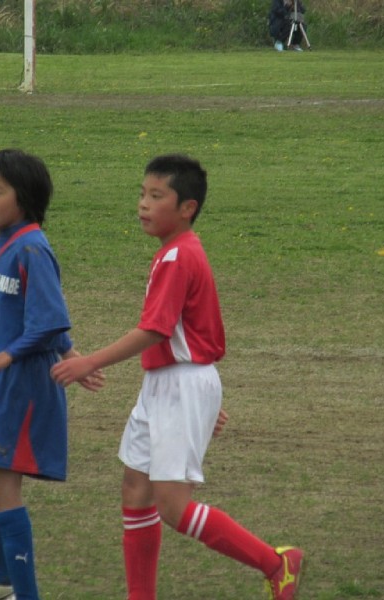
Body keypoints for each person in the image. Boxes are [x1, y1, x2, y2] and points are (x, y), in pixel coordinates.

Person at [50, 154, 304, 600]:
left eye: (156, 196)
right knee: (136, 490)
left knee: (172, 506)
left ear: (187, 208)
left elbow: (155, 330)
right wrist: (202, 403)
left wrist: (89, 362)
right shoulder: (178, 251)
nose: (143, 204)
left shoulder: (176, 257)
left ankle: (275, 563)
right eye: (142, 194)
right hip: (168, 385)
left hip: (180, 385)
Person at [0, 148, 104, 600]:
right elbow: (36, 312)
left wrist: (7, 356)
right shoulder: (5, 240)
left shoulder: (32, 248)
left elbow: (48, 320)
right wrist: (70, 352)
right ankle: (4, 581)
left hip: (22, 380)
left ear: (25, 198)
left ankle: (24, 593)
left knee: (2, 484)